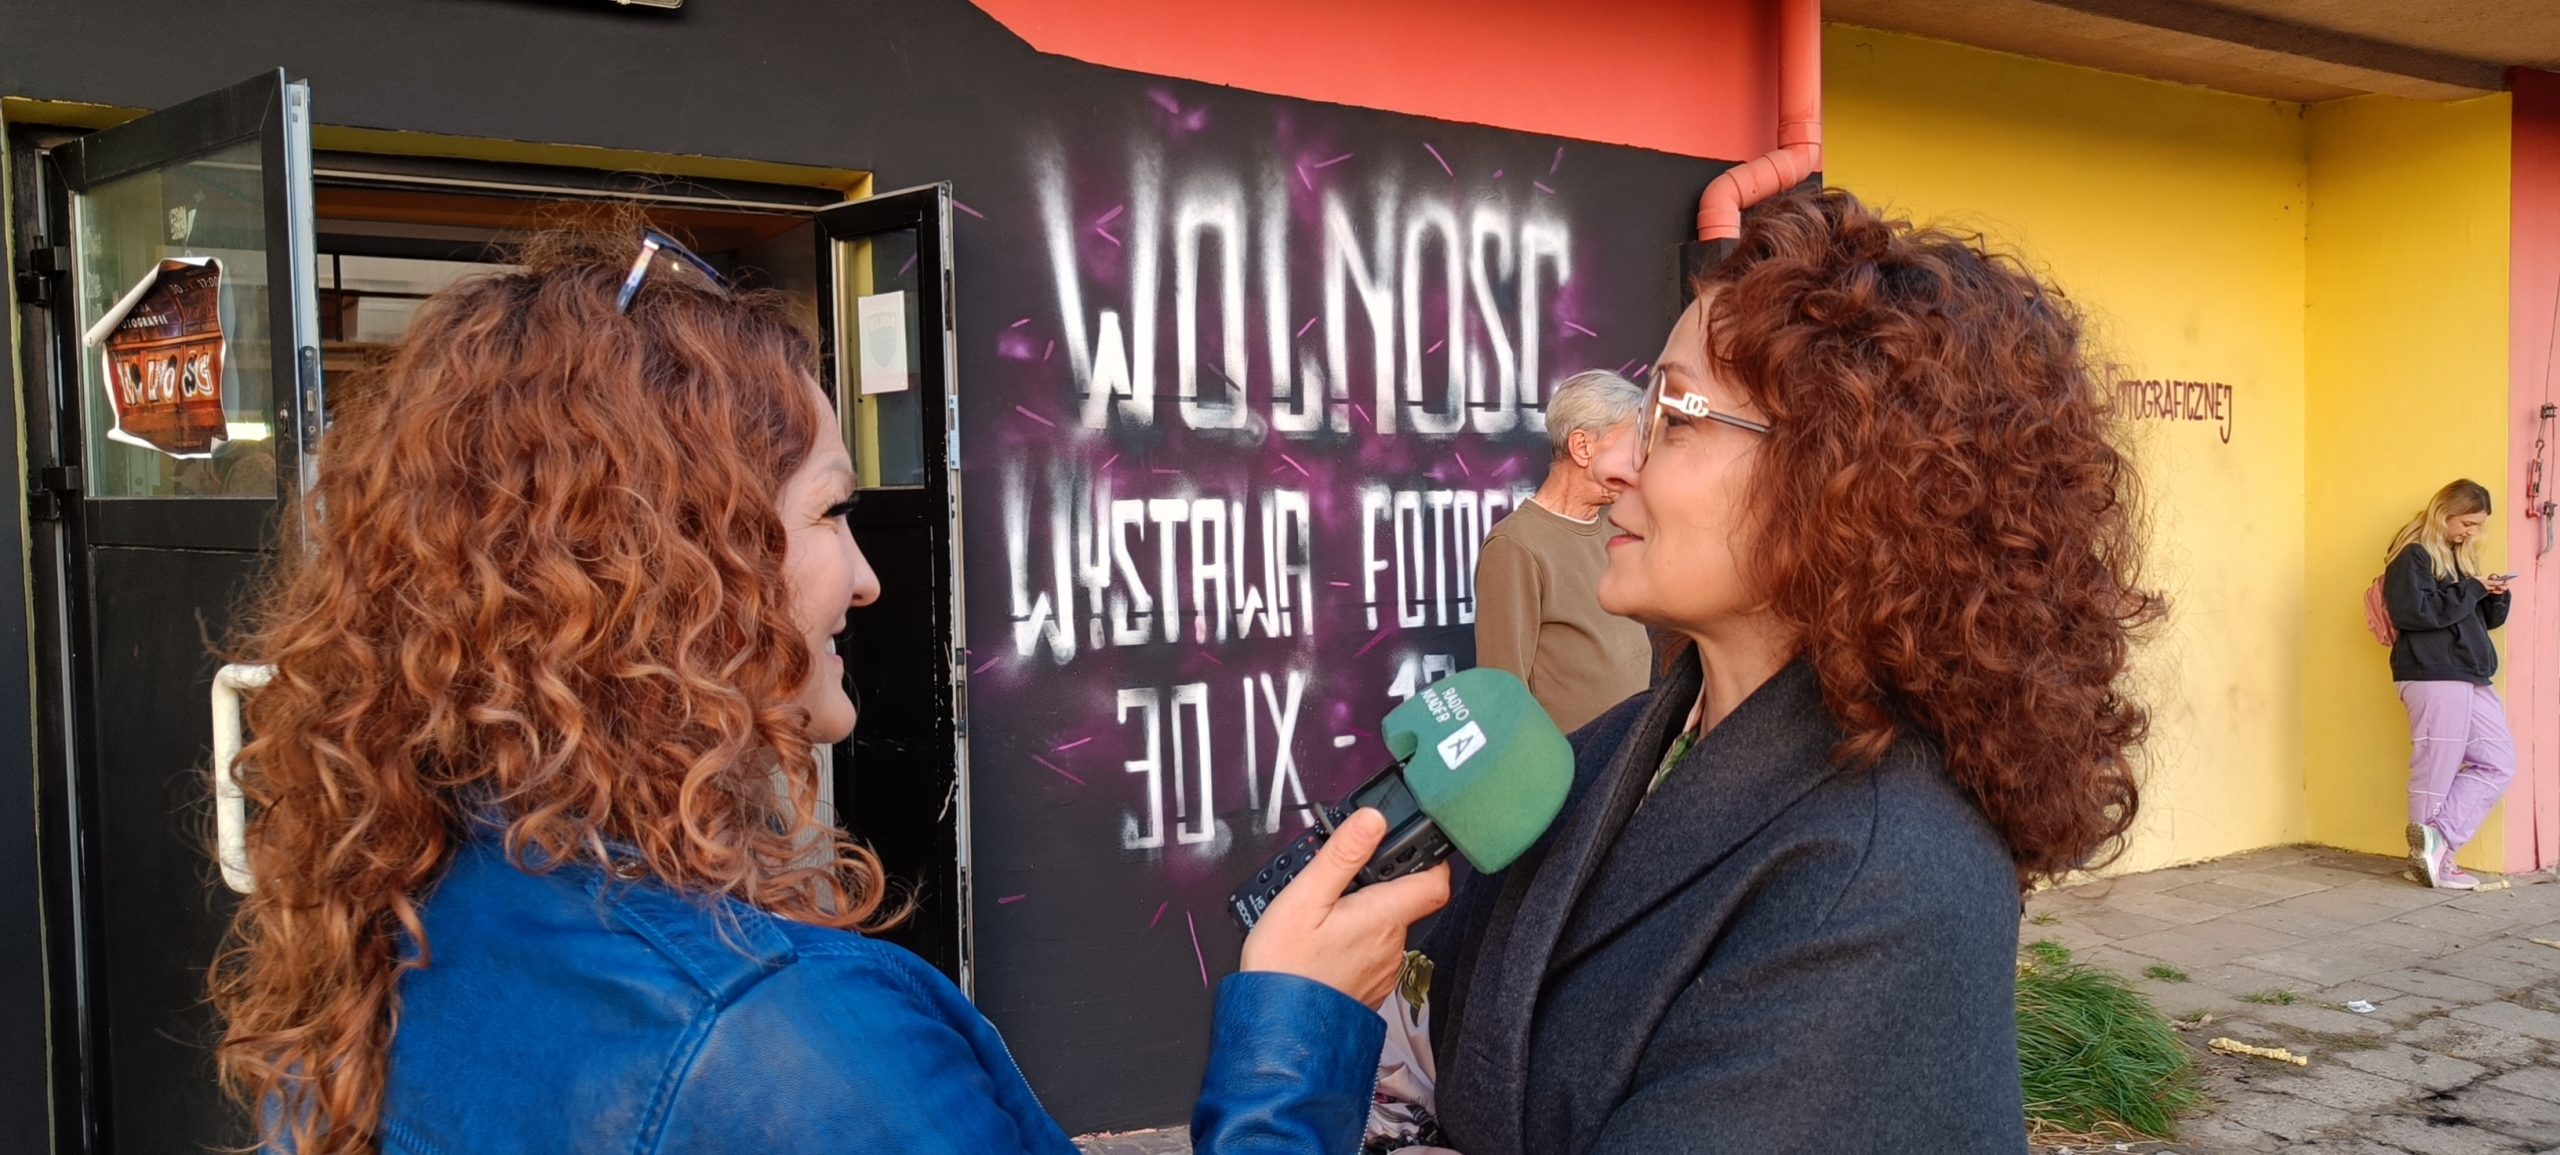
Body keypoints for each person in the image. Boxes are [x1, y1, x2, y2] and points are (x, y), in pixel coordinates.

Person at [209, 226, 1447, 1155]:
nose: (865, 579)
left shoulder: (412, 909)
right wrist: (1291, 1049)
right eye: (830, 513)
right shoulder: (792, 1044)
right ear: (674, 568)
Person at [1417, 189, 2161, 1154]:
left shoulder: (1882, 879)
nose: (1620, 465)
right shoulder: (1616, 751)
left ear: (1841, 481)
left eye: (1674, 417)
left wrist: (1284, 1078)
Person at [1473, 370, 1653, 731]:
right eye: (1630, 446)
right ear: (1582, 447)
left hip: (1631, 749)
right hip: (1572, 760)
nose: (1640, 463)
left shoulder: (1620, 524)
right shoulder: (1514, 546)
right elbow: (1501, 694)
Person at [2382, 479, 2514, 890]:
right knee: (2435, 769)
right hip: (2432, 671)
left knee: (2497, 762)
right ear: (2444, 513)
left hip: (2468, 672)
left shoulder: (2456, 558)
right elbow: (2413, 613)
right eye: (2467, 523)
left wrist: (2493, 595)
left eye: (2478, 525)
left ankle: (2437, 844)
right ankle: (2432, 862)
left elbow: (2479, 621)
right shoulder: (2413, 555)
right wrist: (2471, 588)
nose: (2471, 532)